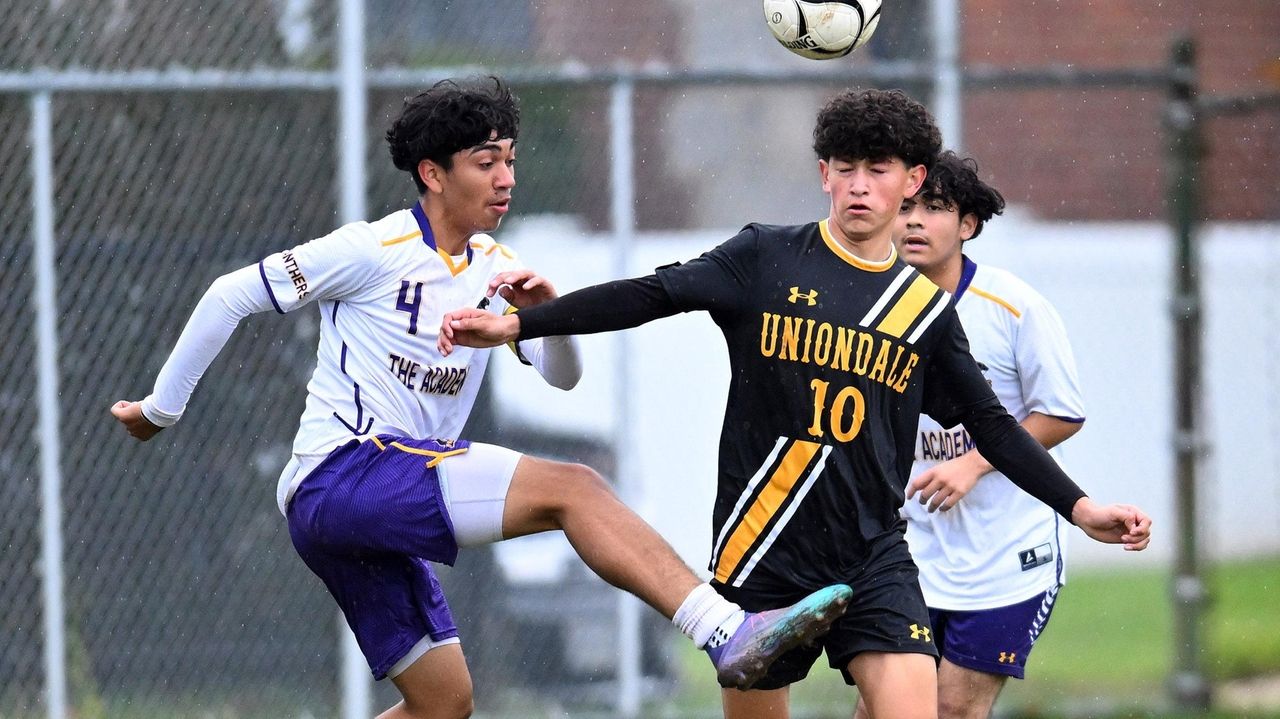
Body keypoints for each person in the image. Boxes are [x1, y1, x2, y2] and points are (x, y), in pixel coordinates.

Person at [109, 77, 854, 719]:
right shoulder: (372, 250)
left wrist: (541, 316)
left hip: (363, 506)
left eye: (511, 160)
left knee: (444, 703)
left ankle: (726, 630)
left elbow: (562, 376)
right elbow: (230, 293)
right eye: (484, 161)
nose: (505, 177)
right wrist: (158, 410)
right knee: (576, 488)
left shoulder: (499, 268)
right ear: (432, 173)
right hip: (341, 476)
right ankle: (725, 630)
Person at [437, 89, 1152, 719]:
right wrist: (519, 324)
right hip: (761, 553)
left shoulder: (924, 312)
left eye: (879, 170)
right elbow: (655, 294)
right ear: (823, 175)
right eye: (846, 168)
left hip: (874, 557)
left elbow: (992, 424)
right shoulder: (765, 259)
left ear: (915, 180)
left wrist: (1080, 507)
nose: (861, 186)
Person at [850, 151, 1086, 719]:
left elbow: (1063, 413)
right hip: (910, 550)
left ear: (967, 225)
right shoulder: (865, 305)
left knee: (953, 708)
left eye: (933, 208)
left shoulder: (1014, 306)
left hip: (1006, 553)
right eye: (904, 206)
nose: (913, 221)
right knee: (882, 709)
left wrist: (973, 463)